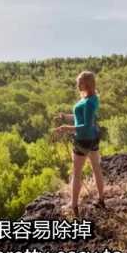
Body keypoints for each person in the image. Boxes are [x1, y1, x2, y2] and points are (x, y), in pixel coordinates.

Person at [54, 70, 106, 218]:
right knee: (96, 168)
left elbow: (85, 125)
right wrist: (65, 116)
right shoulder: (92, 98)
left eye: (80, 82)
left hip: (83, 140)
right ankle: (101, 200)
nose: (77, 85)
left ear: (87, 84)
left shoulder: (89, 102)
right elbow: (79, 117)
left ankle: (74, 205)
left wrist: (65, 128)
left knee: (77, 173)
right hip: (93, 139)